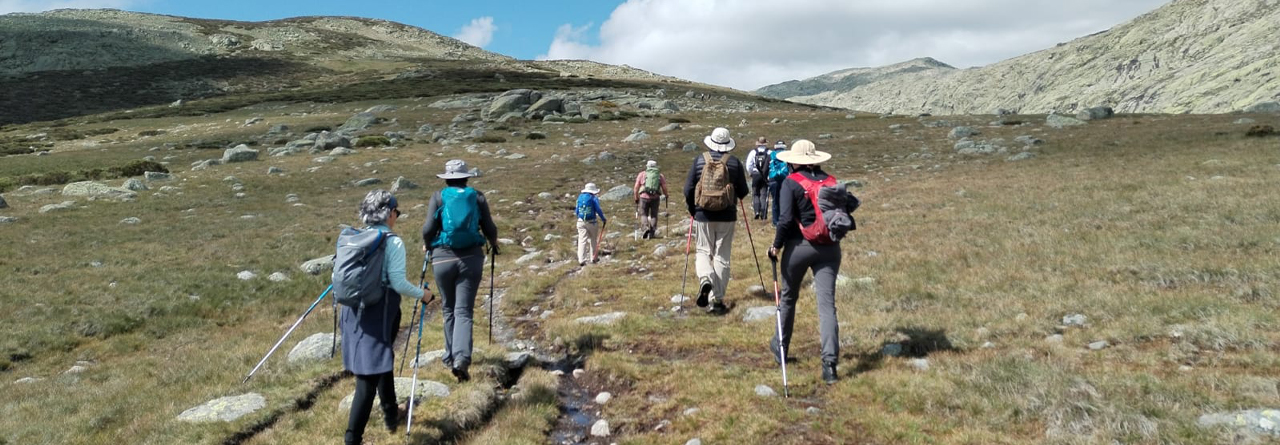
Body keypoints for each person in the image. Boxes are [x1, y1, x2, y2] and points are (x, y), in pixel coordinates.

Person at [766, 140, 855, 384]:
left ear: (794, 160)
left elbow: (784, 220)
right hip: (830, 248)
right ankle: (830, 364)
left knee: (788, 298)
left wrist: (776, 245)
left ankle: (781, 347)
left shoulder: (790, 183)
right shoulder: (830, 181)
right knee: (827, 305)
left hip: (798, 247)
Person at [343, 189, 428, 445]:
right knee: (367, 378)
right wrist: (423, 295)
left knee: (381, 359)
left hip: (352, 312)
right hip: (379, 312)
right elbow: (398, 283)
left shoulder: (354, 237)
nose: (397, 216)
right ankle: (352, 438)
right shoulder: (393, 241)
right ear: (389, 213)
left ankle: (391, 413)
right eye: (397, 212)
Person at [420, 159, 499, 383]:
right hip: (471, 258)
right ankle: (461, 359)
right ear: (467, 177)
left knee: (448, 309)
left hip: (442, 259)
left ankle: (449, 356)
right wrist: (493, 242)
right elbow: (490, 227)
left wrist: (427, 243)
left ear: (446, 178)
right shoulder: (478, 197)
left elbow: (428, 228)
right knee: (463, 311)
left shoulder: (438, 197)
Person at [683, 127, 750, 315]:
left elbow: (688, 189)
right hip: (727, 216)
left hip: (702, 215)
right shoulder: (734, 162)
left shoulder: (699, 161)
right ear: (728, 144)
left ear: (711, 142)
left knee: (703, 251)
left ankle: (705, 279)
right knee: (722, 255)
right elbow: (744, 192)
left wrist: (692, 210)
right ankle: (717, 300)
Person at [632, 160, 668, 239]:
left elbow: (636, 187)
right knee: (654, 215)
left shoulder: (642, 174)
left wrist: (636, 197)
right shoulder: (659, 175)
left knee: (644, 213)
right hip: (655, 198)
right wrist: (666, 195)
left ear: (647, 166)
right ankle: (652, 233)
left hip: (644, 197)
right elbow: (664, 187)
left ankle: (645, 228)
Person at [575, 182, 607, 265]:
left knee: (582, 240)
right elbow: (598, 210)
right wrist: (603, 219)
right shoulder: (593, 198)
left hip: (581, 221)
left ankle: (581, 259)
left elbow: (577, 210)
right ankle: (593, 258)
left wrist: (580, 217)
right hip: (592, 222)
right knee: (593, 239)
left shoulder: (580, 197)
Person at [744, 136, 772, 220]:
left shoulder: (753, 152)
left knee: (755, 193)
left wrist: (751, 173)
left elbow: (749, 164)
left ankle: (756, 211)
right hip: (765, 175)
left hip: (755, 174)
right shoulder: (769, 152)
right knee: (763, 194)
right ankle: (763, 213)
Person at [767, 140, 789, 227]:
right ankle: (785, 220)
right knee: (785, 200)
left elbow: (766, 168)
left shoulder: (771, 155)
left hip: (773, 179)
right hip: (785, 179)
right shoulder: (787, 155)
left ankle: (775, 221)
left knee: (775, 201)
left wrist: (766, 178)